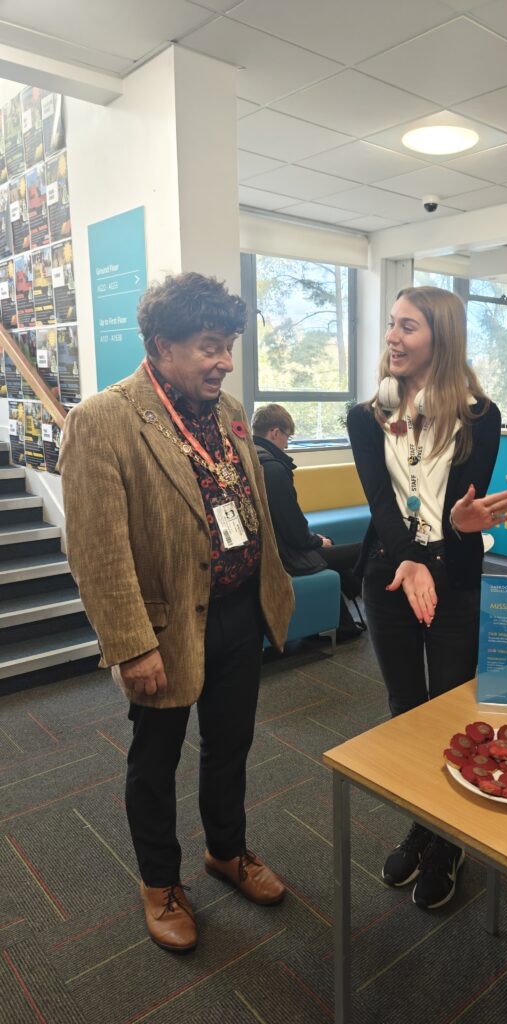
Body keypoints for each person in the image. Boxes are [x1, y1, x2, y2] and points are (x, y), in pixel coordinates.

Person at [58, 273, 295, 954]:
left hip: (238, 611)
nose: (222, 361)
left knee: (231, 746)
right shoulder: (104, 419)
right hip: (163, 629)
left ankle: (227, 850)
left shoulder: (229, 413)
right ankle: (161, 882)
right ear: (162, 346)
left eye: (227, 347)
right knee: (153, 763)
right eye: (208, 346)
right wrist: (131, 645)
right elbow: (97, 551)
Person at [347, 285, 507, 911]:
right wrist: (409, 560)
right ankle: (423, 820)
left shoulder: (481, 415)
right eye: (391, 325)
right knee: (405, 709)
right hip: (388, 579)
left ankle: (450, 841)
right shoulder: (366, 415)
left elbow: (461, 510)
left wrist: (459, 528)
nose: (393, 337)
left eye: (409, 327)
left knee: (450, 713)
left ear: (439, 339)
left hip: (456, 580)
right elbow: (379, 502)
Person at [251, 403, 364, 640]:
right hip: (286, 556)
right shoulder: (273, 469)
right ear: (274, 432)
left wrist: (315, 539)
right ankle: (356, 611)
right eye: (287, 437)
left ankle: (346, 626)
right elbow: (295, 532)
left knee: (330, 546)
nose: (287, 443)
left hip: (267, 550)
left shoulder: (251, 459)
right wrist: (316, 541)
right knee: (362, 549)